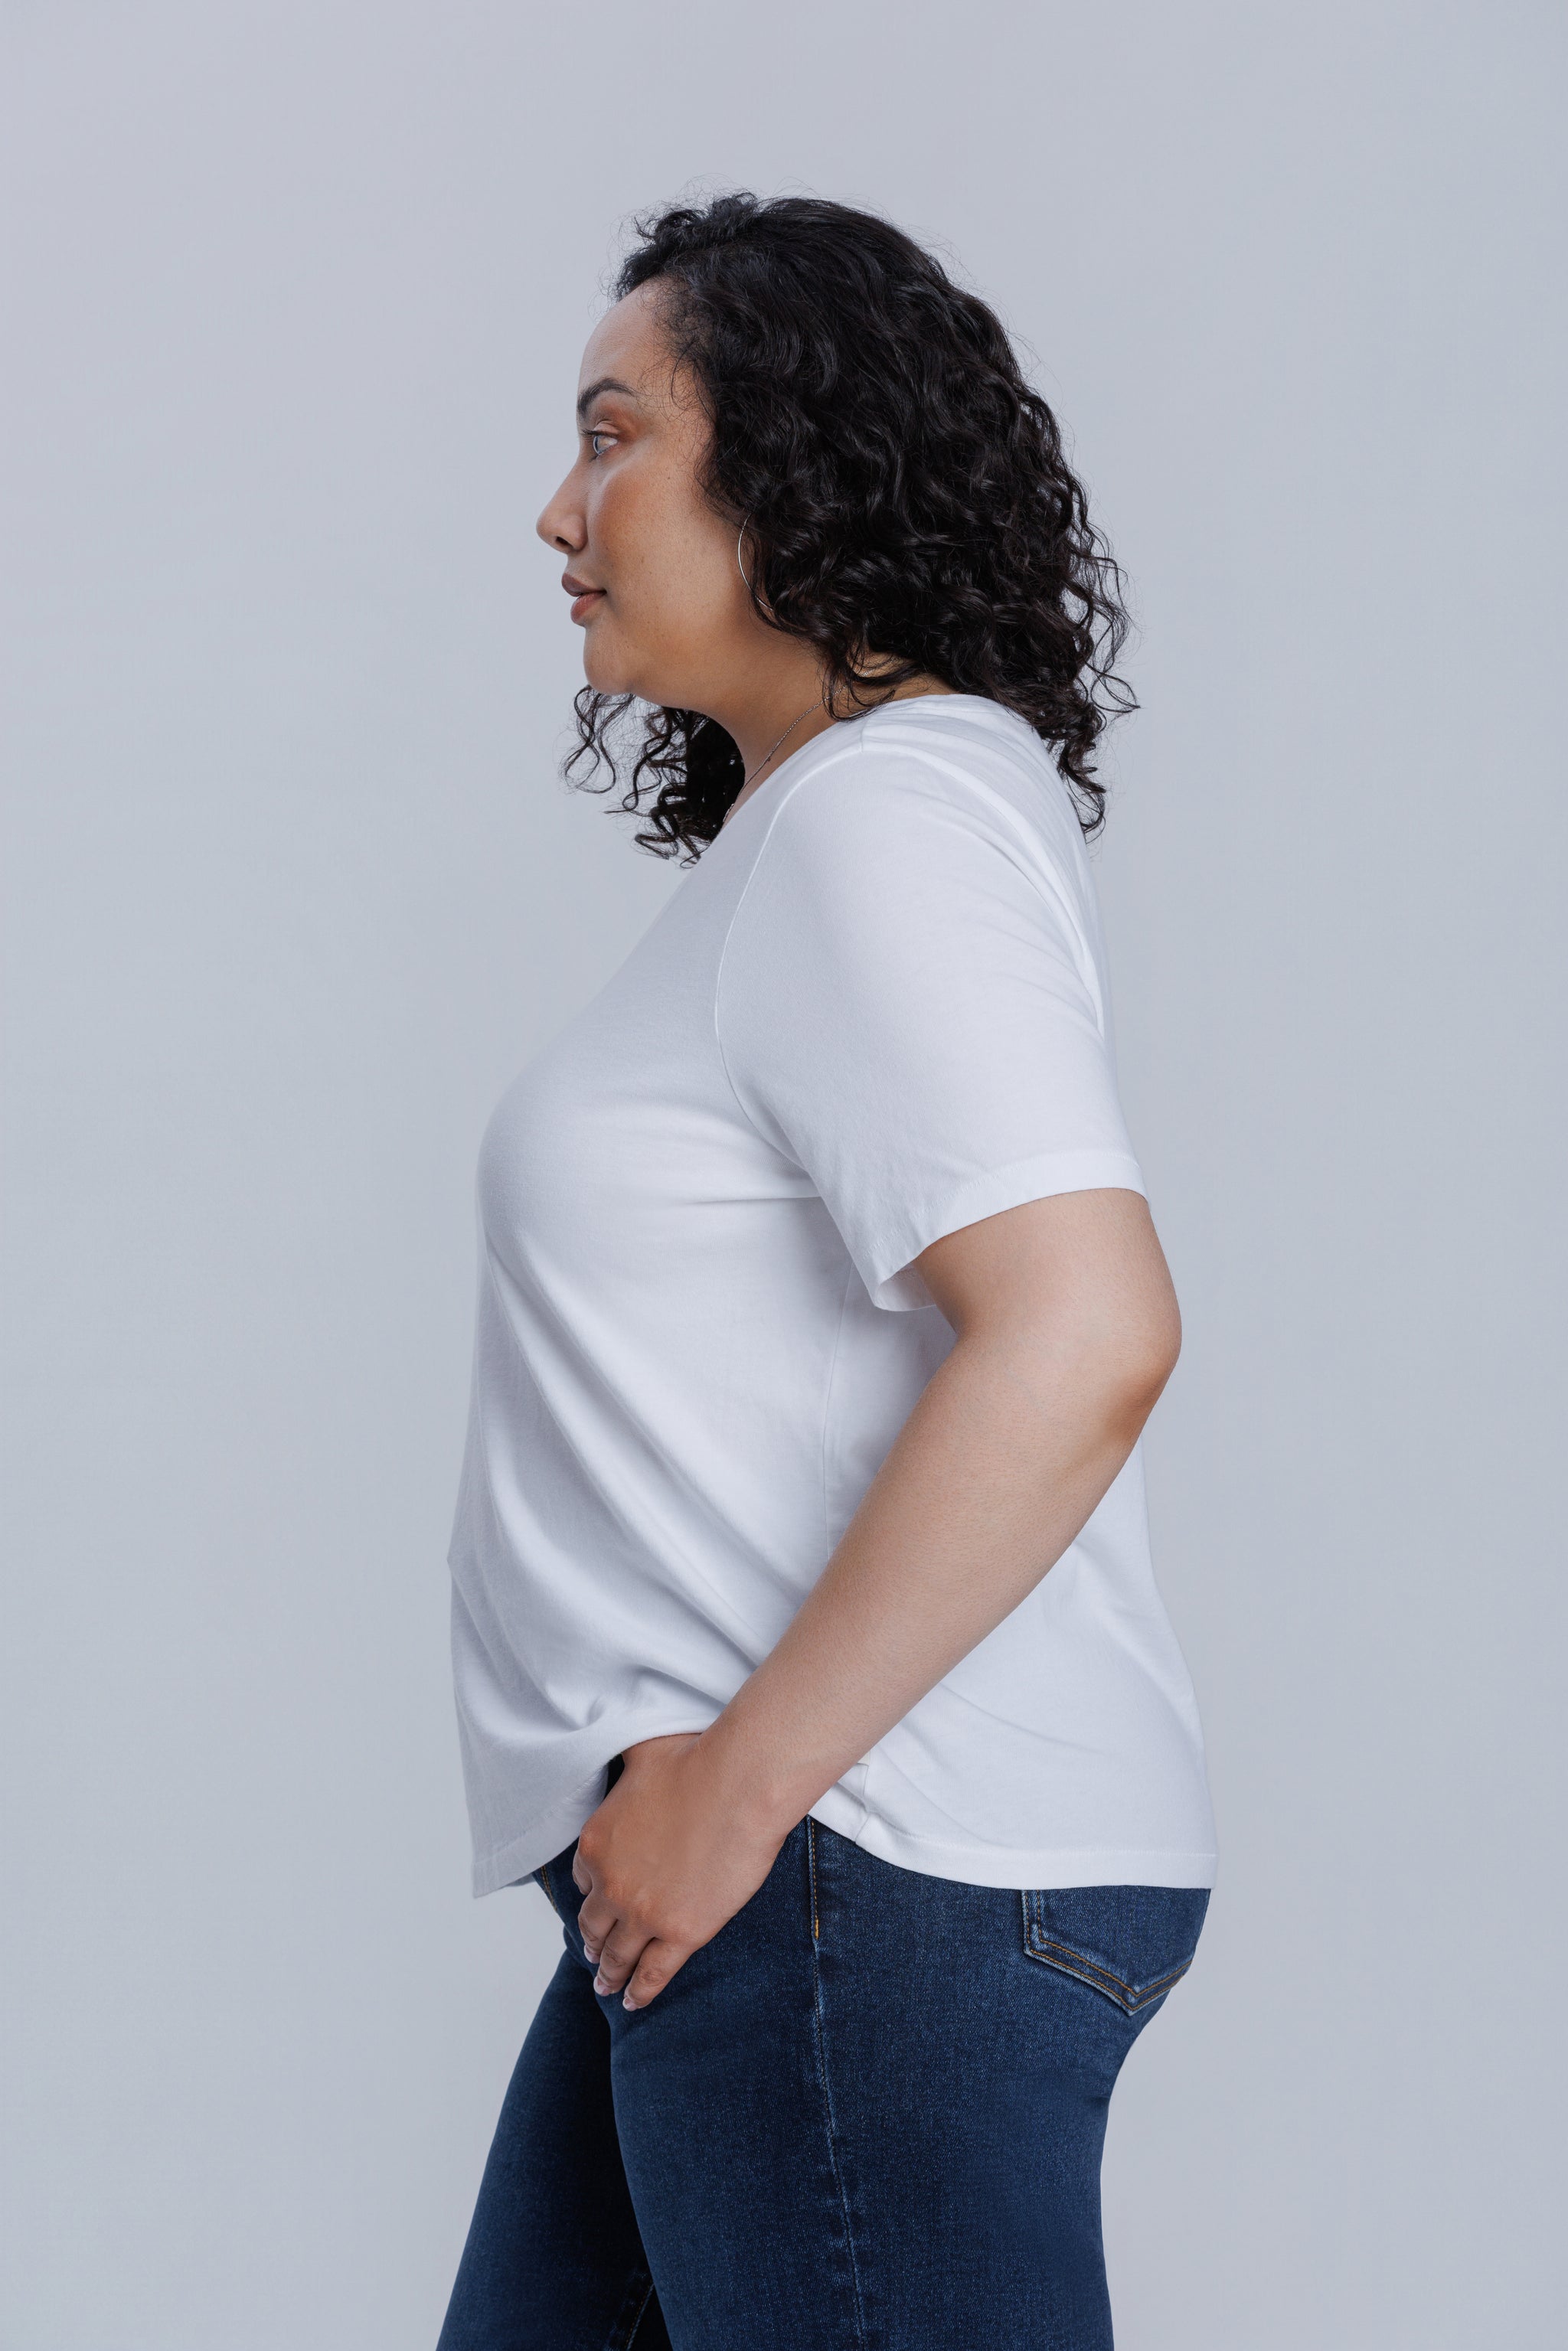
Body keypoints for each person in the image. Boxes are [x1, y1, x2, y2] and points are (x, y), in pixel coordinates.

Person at [436, 192, 1217, 2351]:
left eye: (616, 434)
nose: (556, 508)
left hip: (847, 1867)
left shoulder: (887, 817)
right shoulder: (830, 833)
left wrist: (745, 1785)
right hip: (766, 1882)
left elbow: (1083, 1326)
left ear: (789, 460)